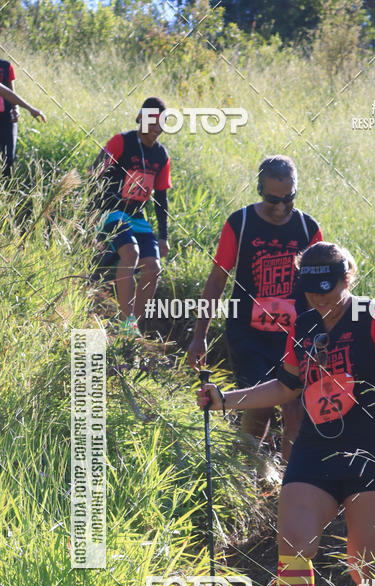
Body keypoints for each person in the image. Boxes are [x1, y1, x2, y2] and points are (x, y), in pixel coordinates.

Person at [198, 242, 375, 586]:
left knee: (369, 561)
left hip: (373, 452)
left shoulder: (374, 316)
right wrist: (225, 401)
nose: (320, 296)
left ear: (348, 278)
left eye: (328, 287)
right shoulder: (301, 324)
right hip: (315, 451)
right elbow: (285, 387)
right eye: (312, 288)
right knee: (293, 544)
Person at [188, 155, 323, 460]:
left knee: (294, 409)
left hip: (293, 335)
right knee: (259, 402)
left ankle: (290, 486)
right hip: (247, 332)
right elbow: (216, 281)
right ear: (260, 190)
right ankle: (242, 470)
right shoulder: (241, 223)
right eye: (272, 199)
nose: (280, 207)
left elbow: (321, 288)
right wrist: (200, 335)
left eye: (288, 199)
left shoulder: (307, 227)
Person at [91, 97, 172, 334]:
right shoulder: (121, 142)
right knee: (131, 253)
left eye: (162, 124)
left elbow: (162, 198)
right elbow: (94, 175)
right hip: (112, 211)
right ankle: (126, 320)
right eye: (153, 122)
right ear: (141, 119)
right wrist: (93, 216)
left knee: (153, 268)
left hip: (137, 216)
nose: (157, 129)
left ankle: (131, 324)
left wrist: (164, 236)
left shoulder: (161, 155)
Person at [0, 67, 46, 177]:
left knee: (7, 159)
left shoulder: (6, 65)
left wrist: (30, 108)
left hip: (5, 118)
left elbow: (6, 92)